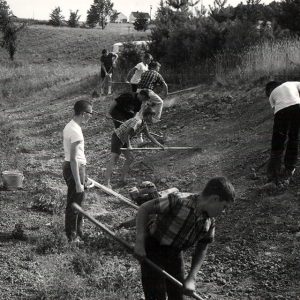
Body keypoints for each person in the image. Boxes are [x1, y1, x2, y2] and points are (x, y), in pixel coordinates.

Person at [134, 177, 235, 300]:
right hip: (153, 249)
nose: (223, 211)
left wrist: (191, 278)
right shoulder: (178, 200)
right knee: (155, 294)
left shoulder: (209, 221)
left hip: (175, 254)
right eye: (224, 207)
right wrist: (139, 242)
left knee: (178, 295)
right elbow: (144, 208)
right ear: (215, 199)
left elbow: (202, 247)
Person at [105, 107, 164, 189]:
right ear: (147, 116)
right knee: (114, 158)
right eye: (151, 116)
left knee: (130, 158)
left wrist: (159, 145)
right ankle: (106, 183)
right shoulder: (138, 121)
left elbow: (149, 136)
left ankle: (122, 180)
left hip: (124, 139)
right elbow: (126, 133)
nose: (152, 118)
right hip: (118, 137)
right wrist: (129, 145)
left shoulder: (144, 124)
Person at [62, 99, 93, 243]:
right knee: (75, 203)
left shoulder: (71, 126)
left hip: (74, 167)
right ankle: (72, 236)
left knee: (77, 202)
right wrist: (78, 182)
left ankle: (77, 232)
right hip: (74, 167)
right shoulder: (75, 131)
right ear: (83, 113)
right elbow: (74, 159)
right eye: (90, 114)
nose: (91, 116)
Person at [265, 81, 300, 186]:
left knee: (278, 143)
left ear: (269, 90)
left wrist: (281, 133)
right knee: (294, 139)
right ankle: (289, 169)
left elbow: (278, 110)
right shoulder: (291, 83)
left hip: (281, 111)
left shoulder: (271, 95)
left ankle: (273, 174)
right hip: (298, 107)